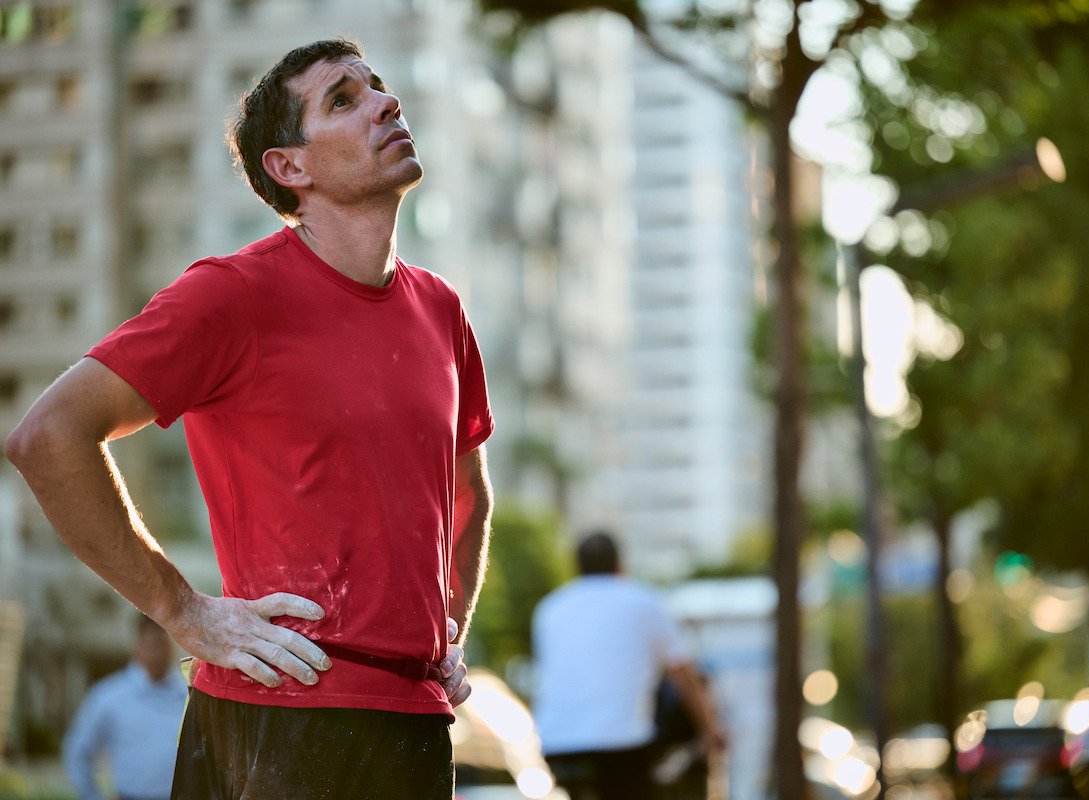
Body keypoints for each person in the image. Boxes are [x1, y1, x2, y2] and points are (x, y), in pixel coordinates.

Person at [5, 38, 494, 799]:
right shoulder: (231, 297)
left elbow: (469, 494)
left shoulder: (442, 310)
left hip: (415, 726)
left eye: (378, 87)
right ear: (289, 168)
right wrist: (182, 611)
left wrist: (448, 630)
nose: (385, 103)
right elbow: (47, 438)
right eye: (343, 99)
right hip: (277, 724)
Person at [531, 531, 726, 800]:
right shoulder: (645, 601)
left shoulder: (549, 609)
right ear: (619, 564)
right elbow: (684, 673)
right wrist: (710, 730)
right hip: (623, 745)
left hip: (557, 744)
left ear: (577, 566)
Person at [62, 615, 188, 800]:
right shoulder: (108, 696)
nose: (158, 651)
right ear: (136, 645)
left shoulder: (188, 694)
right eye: (152, 643)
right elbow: (77, 752)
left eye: (163, 643)